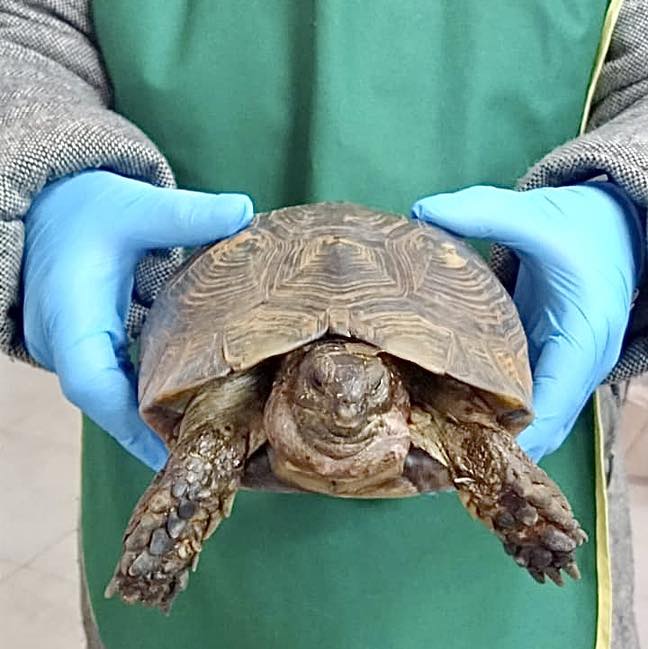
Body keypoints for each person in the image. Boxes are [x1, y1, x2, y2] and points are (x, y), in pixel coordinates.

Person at [0, 1, 644, 647]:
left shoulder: (437, 407)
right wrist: (42, 162)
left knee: (496, 464)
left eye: (367, 393)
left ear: (393, 391)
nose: (344, 405)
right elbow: (27, 24)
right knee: (198, 462)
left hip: (492, 539)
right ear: (290, 382)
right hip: (209, 379)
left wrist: (628, 201)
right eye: (319, 387)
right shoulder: (244, 405)